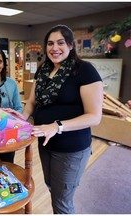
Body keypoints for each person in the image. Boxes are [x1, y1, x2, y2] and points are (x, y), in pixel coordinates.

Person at [20, 25, 103, 213]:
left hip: (71, 148)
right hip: (45, 143)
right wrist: (20, 118)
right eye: (50, 43)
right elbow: (32, 103)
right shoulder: (42, 70)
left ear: (71, 45)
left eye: (60, 42)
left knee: (61, 202)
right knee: (51, 185)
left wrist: (56, 126)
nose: (54, 48)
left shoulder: (84, 70)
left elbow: (94, 116)